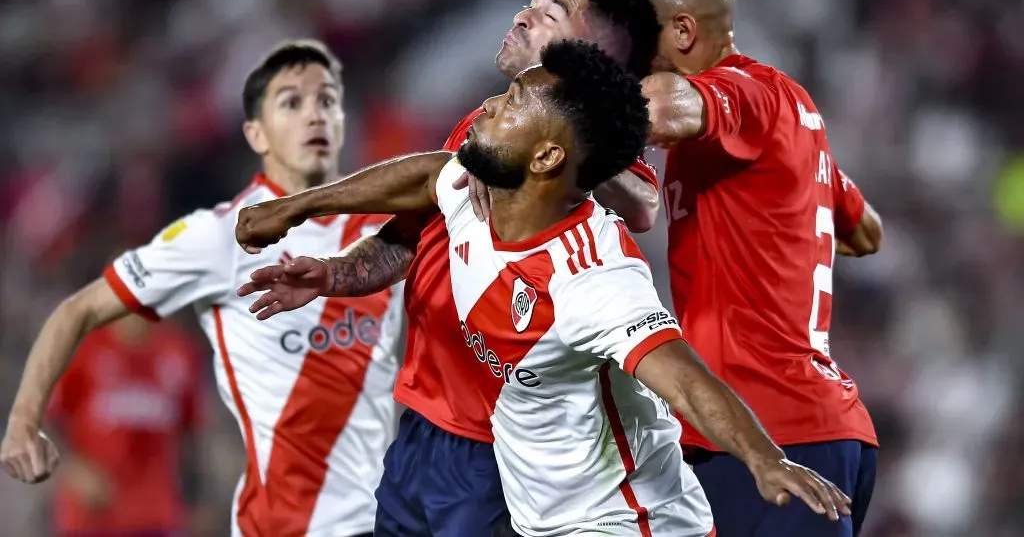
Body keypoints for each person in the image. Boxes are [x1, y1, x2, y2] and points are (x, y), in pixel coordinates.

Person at [235, 40, 852, 537]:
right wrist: (297, 209)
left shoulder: (592, 275)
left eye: (512, 101)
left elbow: (685, 378)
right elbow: (428, 175)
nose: (489, 105)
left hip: (630, 524)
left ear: (547, 157)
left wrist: (764, 457)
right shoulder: (482, 195)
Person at [240, 0, 663, 534]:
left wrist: (573, 128)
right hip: (423, 426)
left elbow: (643, 206)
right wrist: (333, 274)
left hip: (502, 451)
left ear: (588, 56)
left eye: (549, 14)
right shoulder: (485, 126)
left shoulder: (578, 157)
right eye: (531, 2)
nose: (522, 17)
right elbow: (414, 240)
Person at [0, 40, 403, 537]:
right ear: (256, 133)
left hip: (383, 513)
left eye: (326, 100)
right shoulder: (216, 238)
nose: (313, 115)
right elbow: (75, 312)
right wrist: (23, 423)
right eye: (291, 103)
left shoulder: (387, 235)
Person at [607, 0, 884, 537]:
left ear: (683, 31)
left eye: (634, 36)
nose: (627, 54)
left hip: (772, 436)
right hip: (807, 431)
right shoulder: (798, 118)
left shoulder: (745, 93)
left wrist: (579, 78)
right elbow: (865, 231)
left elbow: (659, 108)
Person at [45, 313, 210, 537]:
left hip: (156, 517)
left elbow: (190, 434)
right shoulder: (81, 350)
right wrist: (74, 470)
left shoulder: (180, 351)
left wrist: (196, 500)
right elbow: (43, 426)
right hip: (91, 519)